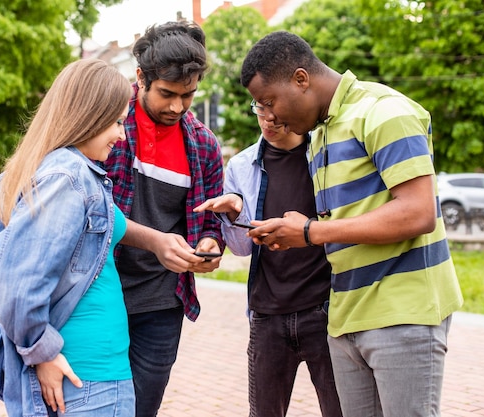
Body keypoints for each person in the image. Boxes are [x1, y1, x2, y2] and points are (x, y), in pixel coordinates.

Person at [0, 58, 209, 417]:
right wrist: (38, 349)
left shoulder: (50, 169)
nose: (121, 135)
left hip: (86, 376)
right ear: (88, 115)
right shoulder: (68, 178)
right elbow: (17, 288)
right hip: (87, 382)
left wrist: (13, 341)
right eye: (117, 123)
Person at [240, 31, 463, 417]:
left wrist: (310, 232)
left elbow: (417, 212)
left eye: (269, 101)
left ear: (301, 79)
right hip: (345, 317)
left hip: (402, 313)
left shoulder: (383, 110)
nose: (270, 116)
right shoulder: (319, 134)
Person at [100, 21, 225, 417]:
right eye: (167, 94)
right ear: (140, 78)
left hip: (162, 303)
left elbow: (212, 222)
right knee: (95, 405)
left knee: (142, 409)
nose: (177, 107)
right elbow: (89, 211)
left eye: (188, 95)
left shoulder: (204, 145)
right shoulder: (106, 128)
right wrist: (154, 241)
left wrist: (210, 245)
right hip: (100, 294)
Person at [193, 101, 342, 417]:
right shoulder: (241, 165)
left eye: (276, 109)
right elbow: (241, 249)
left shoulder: (327, 156)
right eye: (260, 109)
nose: (269, 119)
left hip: (325, 311)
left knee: (341, 410)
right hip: (267, 314)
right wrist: (235, 212)